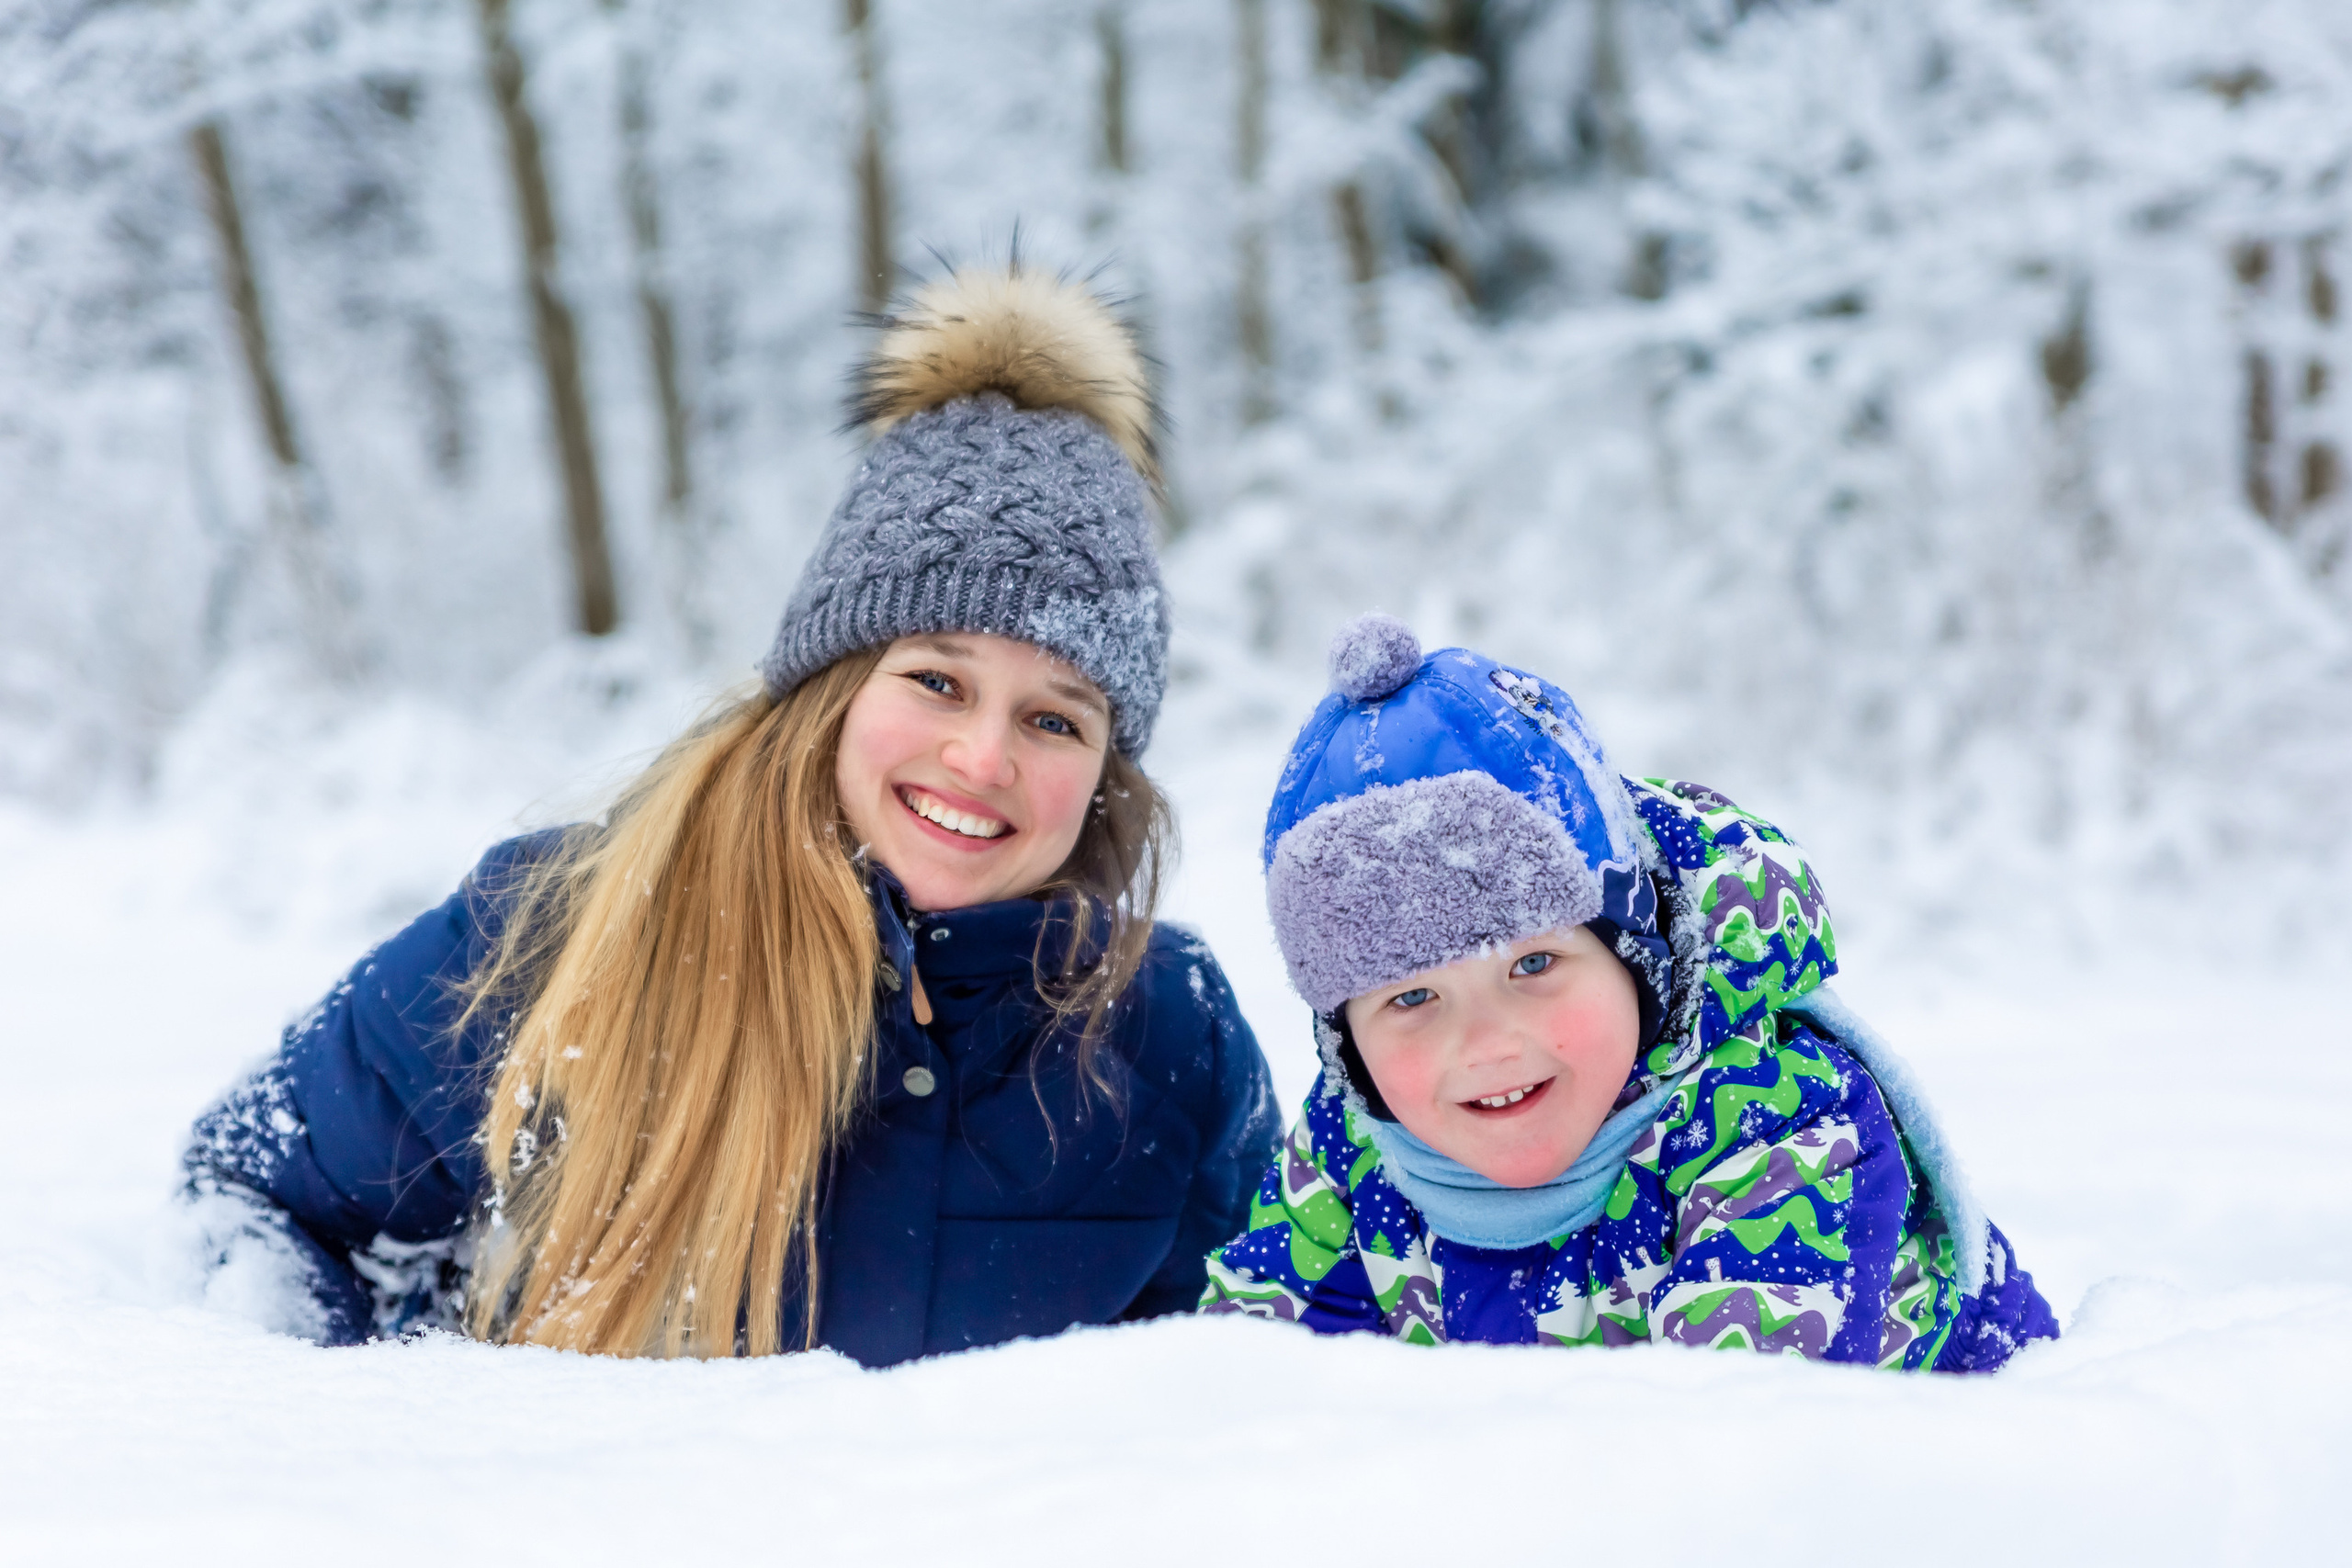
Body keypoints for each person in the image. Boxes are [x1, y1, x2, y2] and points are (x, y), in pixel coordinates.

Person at [182, 264, 1279, 1364]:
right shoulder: (559, 930)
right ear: (832, 690)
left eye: (1056, 722)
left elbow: (1233, 1386)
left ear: (1104, 774)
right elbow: (255, 1197)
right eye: (937, 682)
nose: (983, 754)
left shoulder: (1170, 1038)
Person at [1201, 614, 2057, 1369]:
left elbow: (1731, 1455)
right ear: (1346, 1041)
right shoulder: (1352, 1148)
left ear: (1636, 960)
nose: (1488, 1042)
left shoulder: (1771, 1122)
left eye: (1532, 966)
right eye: (1411, 999)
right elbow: (1259, 1388)